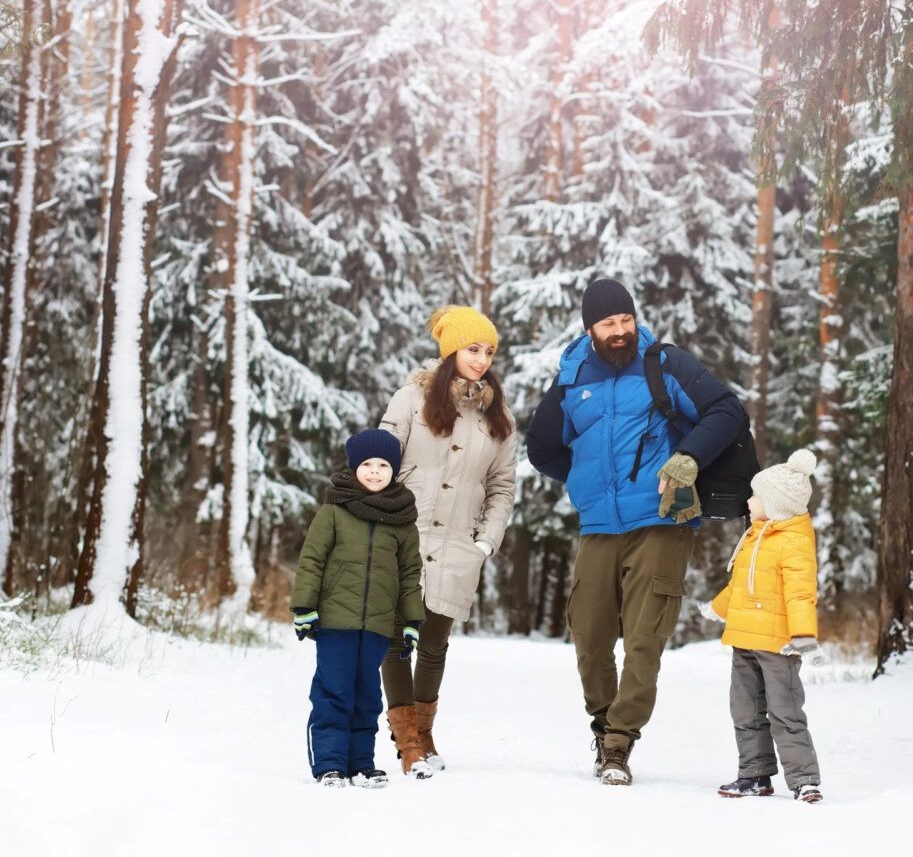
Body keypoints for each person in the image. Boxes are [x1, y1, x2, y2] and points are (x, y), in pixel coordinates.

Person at [525, 278, 745, 786]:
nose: (620, 331)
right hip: (600, 526)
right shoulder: (573, 373)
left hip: (663, 520)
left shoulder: (664, 364)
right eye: (609, 323)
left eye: (626, 320)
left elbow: (727, 410)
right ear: (590, 328)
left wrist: (688, 457)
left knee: (644, 638)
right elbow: (542, 447)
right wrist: (591, 481)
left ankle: (620, 744)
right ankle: (604, 727)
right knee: (590, 634)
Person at [378, 305, 517, 777]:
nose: (481, 359)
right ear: (451, 349)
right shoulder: (409, 401)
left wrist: (484, 543)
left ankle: (425, 732)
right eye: (473, 348)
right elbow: (379, 463)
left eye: (489, 351)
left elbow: (502, 486)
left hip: (459, 547)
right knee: (396, 641)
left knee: (434, 644)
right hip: (405, 539)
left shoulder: (498, 416)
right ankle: (408, 741)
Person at [291, 428, 424, 788]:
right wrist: (304, 607)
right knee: (334, 691)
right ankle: (330, 764)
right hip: (335, 622)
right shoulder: (334, 511)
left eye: (384, 465)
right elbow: (312, 560)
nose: (376, 471)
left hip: (378, 625)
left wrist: (412, 619)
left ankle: (361, 763)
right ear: (354, 468)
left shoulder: (402, 519)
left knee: (367, 696)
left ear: (394, 471)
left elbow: (411, 573)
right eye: (368, 464)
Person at [700, 450, 825, 803]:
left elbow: (802, 594)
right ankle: (755, 774)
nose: (749, 500)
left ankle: (804, 780)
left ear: (777, 505)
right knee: (745, 709)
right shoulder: (756, 535)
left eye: (755, 495)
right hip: (744, 639)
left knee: (785, 711)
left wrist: (803, 637)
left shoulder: (794, 543)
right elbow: (741, 586)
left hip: (778, 646)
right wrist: (717, 607)